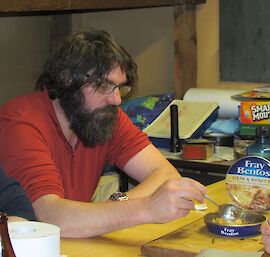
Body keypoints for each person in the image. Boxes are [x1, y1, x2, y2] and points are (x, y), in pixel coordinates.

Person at [0, 29, 207, 238]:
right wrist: (145, 208)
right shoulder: (21, 124)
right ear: (66, 80)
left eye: (119, 87)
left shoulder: (103, 116)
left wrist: (119, 202)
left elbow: (165, 175)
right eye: (103, 86)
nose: (116, 99)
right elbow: (49, 217)